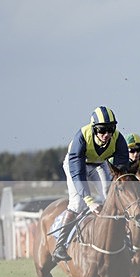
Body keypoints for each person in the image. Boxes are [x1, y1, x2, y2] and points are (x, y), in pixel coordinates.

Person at [52, 106, 129, 262]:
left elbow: (121, 170)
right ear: (94, 129)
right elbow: (78, 175)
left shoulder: (118, 139)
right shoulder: (81, 138)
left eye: (110, 129)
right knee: (77, 203)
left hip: (99, 164)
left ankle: (123, 239)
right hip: (76, 167)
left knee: (111, 197)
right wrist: (90, 201)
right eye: (102, 130)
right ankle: (60, 246)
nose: (107, 134)